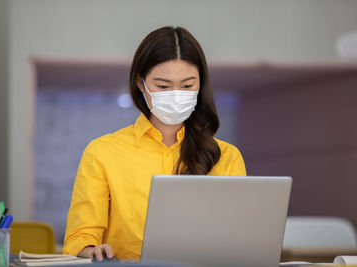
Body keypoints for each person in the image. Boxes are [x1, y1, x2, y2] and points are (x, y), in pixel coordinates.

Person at [63, 26, 246, 261]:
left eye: (187, 85)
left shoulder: (227, 157)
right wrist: (91, 250)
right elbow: (81, 236)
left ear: (201, 84)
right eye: (163, 86)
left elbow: (239, 237)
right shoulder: (102, 152)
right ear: (141, 83)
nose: (176, 94)